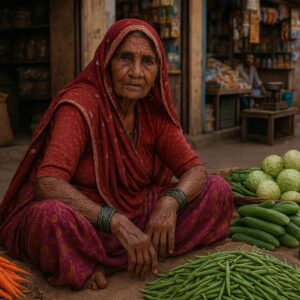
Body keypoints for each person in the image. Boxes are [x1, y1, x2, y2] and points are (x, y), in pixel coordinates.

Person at [0, 19, 233, 290]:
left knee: (218, 190)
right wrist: (114, 220)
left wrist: (170, 202)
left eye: (147, 61)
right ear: (106, 61)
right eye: (125, 58)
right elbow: (48, 183)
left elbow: (195, 170)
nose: (136, 72)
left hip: (140, 216)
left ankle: (118, 255)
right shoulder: (81, 106)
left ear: (158, 70)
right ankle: (118, 255)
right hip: (87, 220)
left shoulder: (152, 112)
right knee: (50, 218)